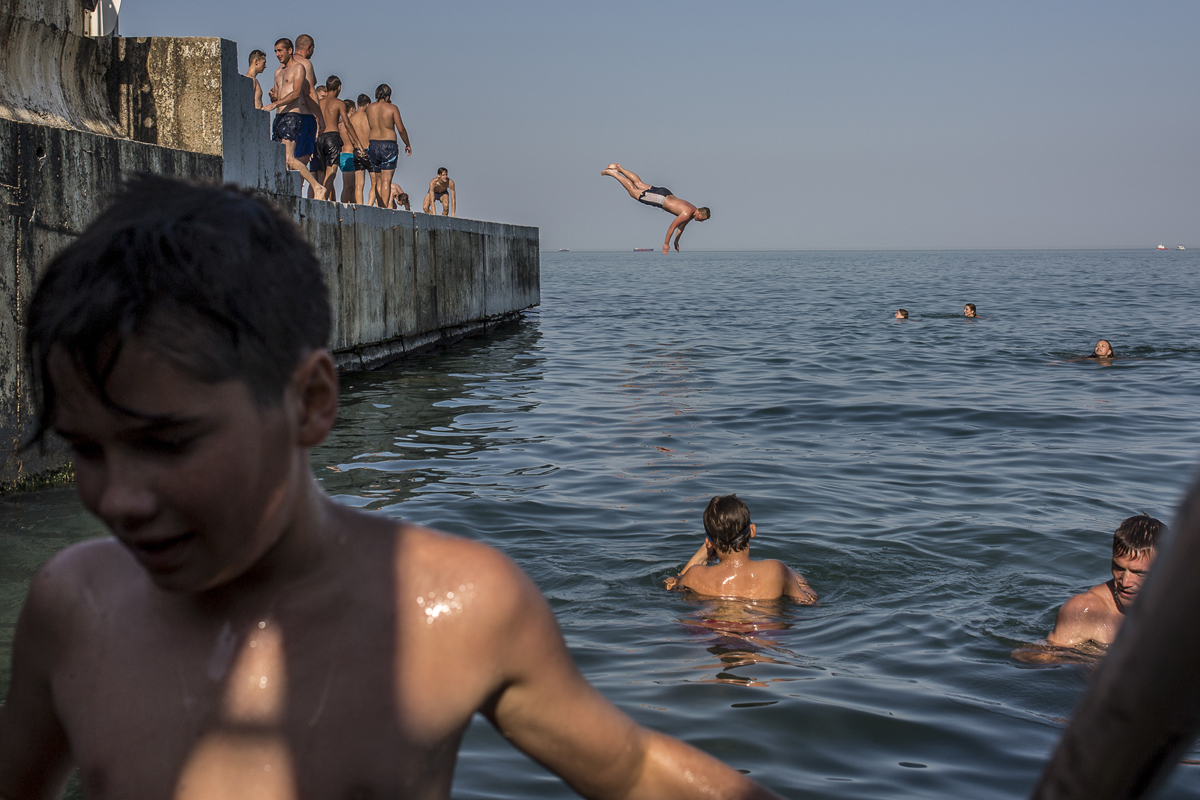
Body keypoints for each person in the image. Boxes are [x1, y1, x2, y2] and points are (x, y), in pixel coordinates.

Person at [0, 176, 782, 800]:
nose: (117, 500)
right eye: (85, 452)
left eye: (168, 442)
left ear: (311, 402)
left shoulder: (456, 611)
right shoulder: (76, 610)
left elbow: (632, 770)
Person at [664, 495, 817, 602]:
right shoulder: (776, 570)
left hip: (711, 631)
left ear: (708, 542)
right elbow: (810, 602)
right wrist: (795, 577)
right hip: (761, 634)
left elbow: (670, 586)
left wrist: (699, 558)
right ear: (752, 531)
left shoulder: (695, 575)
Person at [1045, 514, 1164, 649]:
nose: (1125, 583)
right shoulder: (1085, 611)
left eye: (1140, 573)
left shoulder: (1182, 608)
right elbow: (1038, 659)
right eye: (1118, 568)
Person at [263, 38, 326, 200]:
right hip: (279, 117)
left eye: (280, 51)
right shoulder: (278, 72)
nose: (277, 55)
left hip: (293, 116)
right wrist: (273, 98)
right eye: (275, 51)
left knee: (290, 158)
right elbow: (278, 95)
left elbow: (299, 93)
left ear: (290, 50)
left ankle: (317, 187)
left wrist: (320, 117)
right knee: (280, 160)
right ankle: (287, 193)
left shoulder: (300, 67)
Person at [601, 164, 709, 254]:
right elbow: (672, 227)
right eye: (702, 218)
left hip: (666, 193)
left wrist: (676, 241)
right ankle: (614, 173)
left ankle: (619, 168)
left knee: (639, 184)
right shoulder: (687, 214)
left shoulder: (691, 210)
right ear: (699, 213)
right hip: (660, 199)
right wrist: (666, 243)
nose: (702, 221)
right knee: (632, 191)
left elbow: (681, 227)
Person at [312, 76, 364, 202]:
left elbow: (316, 121)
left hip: (320, 138)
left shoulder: (319, 103)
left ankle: (326, 199)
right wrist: (357, 142)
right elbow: (347, 124)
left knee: (325, 172)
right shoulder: (339, 103)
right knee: (331, 172)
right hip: (332, 138)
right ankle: (322, 200)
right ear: (338, 87)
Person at [365, 83, 412, 208]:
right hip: (388, 145)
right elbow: (401, 129)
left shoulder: (370, 108)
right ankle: (384, 208)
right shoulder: (392, 108)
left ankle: (379, 205)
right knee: (386, 180)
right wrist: (407, 143)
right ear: (387, 95)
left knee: (378, 181)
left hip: (373, 144)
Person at [349, 93, 373, 205]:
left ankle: (359, 206)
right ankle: (370, 204)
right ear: (368, 104)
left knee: (359, 183)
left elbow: (350, 137)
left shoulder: (351, 119)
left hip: (357, 150)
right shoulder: (370, 118)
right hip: (369, 149)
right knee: (375, 182)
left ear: (357, 104)